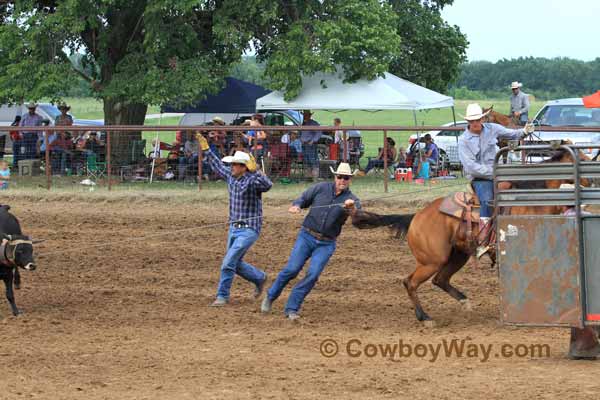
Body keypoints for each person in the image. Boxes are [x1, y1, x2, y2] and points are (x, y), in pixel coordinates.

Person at [261, 162, 361, 320]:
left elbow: (357, 217)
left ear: (350, 180)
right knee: (291, 270)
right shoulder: (320, 188)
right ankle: (271, 295)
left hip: (327, 243)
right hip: (306, 236)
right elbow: (303, 198)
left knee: (312, 274)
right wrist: (297, 205)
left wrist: (351, 208)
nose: (342, 180)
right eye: (340, 177)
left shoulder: (352, 199)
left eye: (346, 178)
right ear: (335, 177)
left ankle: (292, 308)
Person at [197, 134, 273, 307]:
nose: (231, 167)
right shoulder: (231, 176)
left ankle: (222, 296)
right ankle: (259, 278)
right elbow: (216, 164)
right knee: (235, 263)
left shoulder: (253, 180)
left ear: (243, 167)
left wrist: (257, 172)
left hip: (249, 229)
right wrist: (206, 149)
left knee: (228, 262)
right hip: (234, 227)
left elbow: (268, 185)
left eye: (235, 164)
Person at [458, 103, 534, 258]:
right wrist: (494, 173)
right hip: (481, 178)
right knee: (487, 200)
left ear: (482, 118)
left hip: (499, 173)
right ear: (468, 122)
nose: (476, 123)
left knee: (519, 188)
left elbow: (512, 134)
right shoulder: (464, 140)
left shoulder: (492, 128)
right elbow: (471, 167)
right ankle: (484, 241)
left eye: (478, 119)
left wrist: (525, 131)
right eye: (472, 121)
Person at [300, 110, 321, 180]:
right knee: (306, 161)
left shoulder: (313, 123)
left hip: (310, 144)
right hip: (304, 144)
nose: (304, 116)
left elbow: (318, 132)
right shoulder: (304, 123)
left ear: (309, 115)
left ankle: (315, 177)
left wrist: (313, 140)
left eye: (305, 115)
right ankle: (308, 177)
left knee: (312, 160)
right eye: (304, 115)